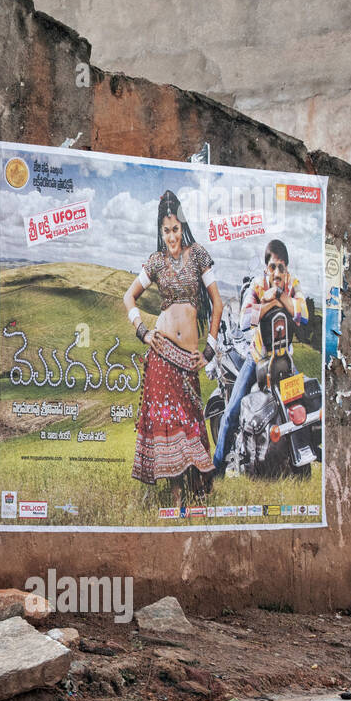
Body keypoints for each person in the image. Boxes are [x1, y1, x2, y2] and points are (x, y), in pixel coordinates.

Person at [122, 191, 224, 501]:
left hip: (189, 358)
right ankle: (176, 495)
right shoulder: (156, 262)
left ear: (183, 226)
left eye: (176, 229)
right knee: (168, 423)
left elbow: (218, 304)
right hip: (161, 353)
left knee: (190, 422)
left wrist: (209, 349)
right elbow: (128, 297)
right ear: (160, 231)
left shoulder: (198, 256)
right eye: (166, 231)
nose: (171, 237)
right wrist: (142, 331)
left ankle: (195, 493)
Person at [212, 239, 308, 472]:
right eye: (273, 267)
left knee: (304, 406)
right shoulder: (256, 285)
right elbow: (245, 320)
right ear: (266, 268)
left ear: (287, 269)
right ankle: (216, 470)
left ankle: (302, 463)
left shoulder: (292, 283)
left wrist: (280, 296)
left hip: (285, 359)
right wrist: (268, 302)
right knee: (232, 412)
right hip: (257, 358)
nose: (277, 272)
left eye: (281, 267)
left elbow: (303, 316)